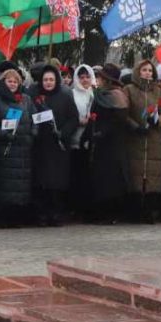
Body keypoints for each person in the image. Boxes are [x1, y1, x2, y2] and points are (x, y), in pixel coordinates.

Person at [0, 68, 36, 228]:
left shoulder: (26, 99)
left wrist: (34, 132)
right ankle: (3, 217)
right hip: (4, 148)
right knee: (4, 185)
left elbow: (34, 117)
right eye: (9, 81)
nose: (12, 84)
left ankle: (18, 217)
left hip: (24, 149)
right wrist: (2, 134)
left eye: (15, 81)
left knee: (21, 185)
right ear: (3, 82)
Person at [28, 64, 79, 226]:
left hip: (58, 146)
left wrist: (63, 133)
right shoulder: (34, 96)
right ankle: (41, 214)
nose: (48, 83)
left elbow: (73, 119)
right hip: (40, 144)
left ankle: (56, 213)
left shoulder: (65, 96)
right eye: (45, 79)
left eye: (51, 79)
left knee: (57, 183)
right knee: (41, 182)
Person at [123, 59, 161, 223]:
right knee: (135, 176)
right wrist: (135, 126)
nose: (147, 73)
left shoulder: (158, 92)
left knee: (151, 176)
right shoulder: (128, 90)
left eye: (150, 70)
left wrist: (159, 121)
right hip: (135, 138)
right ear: (138, 72)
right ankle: (134, 212)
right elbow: (124, 113)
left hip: (153, 138)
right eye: (144, 70)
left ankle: (150, 212)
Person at [85, 64, 130, 224]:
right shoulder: (100, 94)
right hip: (99, 143)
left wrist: (104, 131)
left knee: (111, 179)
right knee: (99, 178)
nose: (99, 80)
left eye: (101, 77)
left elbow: (119, 120)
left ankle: (111, 213)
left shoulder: (117, 95)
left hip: (112, 143)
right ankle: (100, 212)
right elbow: (94, 115)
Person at [69, 64, 95, 220]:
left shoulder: (95, 94)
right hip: (75, 140)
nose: (85, 80)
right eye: (81, 77)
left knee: (88, 176)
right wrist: (78, 121)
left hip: (91, 141)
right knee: (76, 175)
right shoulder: (71, 94)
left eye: (87, 77)